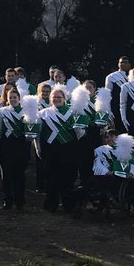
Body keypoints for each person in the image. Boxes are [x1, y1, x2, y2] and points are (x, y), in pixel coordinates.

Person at [37, 86, 84, 217]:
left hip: (69, 149)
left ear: (64, 99)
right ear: (50, 99)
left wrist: (79, 129)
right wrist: (38, 148)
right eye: (54, 97)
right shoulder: (43, 113)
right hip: (50, 149)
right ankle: (51, 203)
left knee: (68, 177)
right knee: (51, 177)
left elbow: (80, 134)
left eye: (59, 97)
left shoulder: (73, 112)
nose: (56, 99)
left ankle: (68, 204)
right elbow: (37, 133)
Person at [0, 86, 30, 211]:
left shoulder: (25, 111)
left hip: (21, 145)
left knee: (20, 175)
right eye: (10, 97)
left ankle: (20, 201)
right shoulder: (2, 111)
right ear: (7, 98)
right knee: (6, 175)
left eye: (15, 97)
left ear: (19, 98)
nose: (13, 99)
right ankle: (8, 201)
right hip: (6, 145)